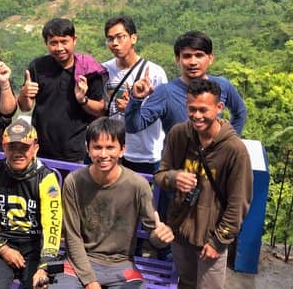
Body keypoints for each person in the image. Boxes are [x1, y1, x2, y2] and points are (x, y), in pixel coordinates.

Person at [155, 79, 252, 289]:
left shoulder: (234, 150)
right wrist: (174, 177)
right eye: (192, 109)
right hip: (180, 230)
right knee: (186, 283)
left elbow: (239, 203)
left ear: (219, 108)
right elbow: (161, 175)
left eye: (203, 110)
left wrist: (218, 242)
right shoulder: (179, 135)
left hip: (211, 235)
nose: (197, 116)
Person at [58, 117, 174, 289]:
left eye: (110, 147)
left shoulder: (137, 185)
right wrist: (90, 281)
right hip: (79, 261)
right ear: (88, 149)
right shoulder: (74, 181)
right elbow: (72, 237)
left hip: (122, 263)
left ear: (122, 150)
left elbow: (154, 235)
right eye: (97, 147)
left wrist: (161, 236)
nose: (104, 155)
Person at [0, 119, 62, 289]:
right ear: (3, 147)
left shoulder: (47, 179)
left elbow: (53, 225)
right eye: (12, 147)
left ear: (35, 148)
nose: (17, 153)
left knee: (39, 286)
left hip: (35, 246)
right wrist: (3, 249)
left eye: (24, 147)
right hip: (0, 244)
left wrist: (44, 266)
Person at [125, 31, 247, 137]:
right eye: (187, 56)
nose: (193, 62)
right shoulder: (166, 92)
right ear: (177, 59)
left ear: (210, 58)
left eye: (199, 55)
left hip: (214, 162)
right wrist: (136, 99)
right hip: (176, 162)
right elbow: (134, 127)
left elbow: (240, 112)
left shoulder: (222, 85)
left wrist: (228, 141)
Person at [18, 18, 106, 162]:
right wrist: (24, 94)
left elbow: (101, 110)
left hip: (75, 151)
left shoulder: (88, 70)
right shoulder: (38, 66)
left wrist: (83, 100)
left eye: (64, 42)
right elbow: (25, 106)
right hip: (40, 147)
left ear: (74, 40)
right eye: (53, 43)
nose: (59, 48)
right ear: (46, 43)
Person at [102, 15, 168, 173]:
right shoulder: (103, 70)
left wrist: (132, 107)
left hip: (143, 152)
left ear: (133, 38)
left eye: (120, 37)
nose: (115, 43)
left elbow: (162, 111)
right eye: (110, 39)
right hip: (112, 150)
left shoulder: (154, 73)